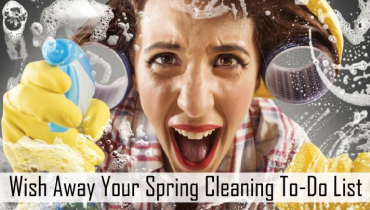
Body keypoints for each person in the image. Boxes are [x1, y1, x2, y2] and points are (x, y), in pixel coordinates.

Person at [2, 0, 369, 209]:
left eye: (227, 60)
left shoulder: (278, 151)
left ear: (259, 75)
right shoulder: (95, 140)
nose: (194, 104)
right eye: (164, 58)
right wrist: (39, 166)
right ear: (131, 66)